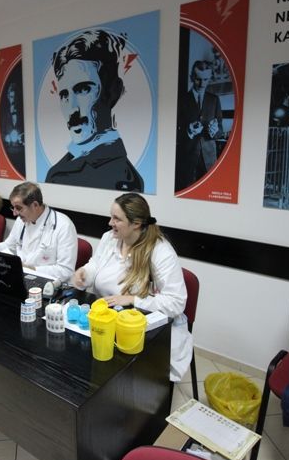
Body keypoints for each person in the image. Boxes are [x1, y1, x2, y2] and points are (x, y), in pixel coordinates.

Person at [72, 193, 192, 382]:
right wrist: (85, 272)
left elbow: (176, 302)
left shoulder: (160, 252)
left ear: (136, 224)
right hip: (107, 320)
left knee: (124, 380)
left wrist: (133, 299)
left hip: (141, 330)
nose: (110, 223)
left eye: (117, 219)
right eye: (111, 216)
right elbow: (96, 264)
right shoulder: (110, 238)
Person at [45, 29, 143, 192]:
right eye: (64, 95)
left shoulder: (123, 178)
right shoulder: (57, 170)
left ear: (112, 91)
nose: (72, 109)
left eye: (83, 89)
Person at [0, 181, 77, 282]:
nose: (14, 213)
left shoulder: (63, 225)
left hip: (49, 282)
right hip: (22, 277)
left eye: (19, 208)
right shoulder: (21, 220)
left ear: (35, 205)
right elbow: (9, 246)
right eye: (13, 207)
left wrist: (30, 269)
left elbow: (65, 271)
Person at [175, 60, 223, 191]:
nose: (202, 84)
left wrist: (215, 131)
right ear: (192, 77)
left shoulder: (214, 100)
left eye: (206, 79)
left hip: (209, 160)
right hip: (187, 158)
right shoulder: (180, 100)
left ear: (210, 78)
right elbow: (171, 132)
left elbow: (220, 130)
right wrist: (188, 132)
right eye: (198, 79)